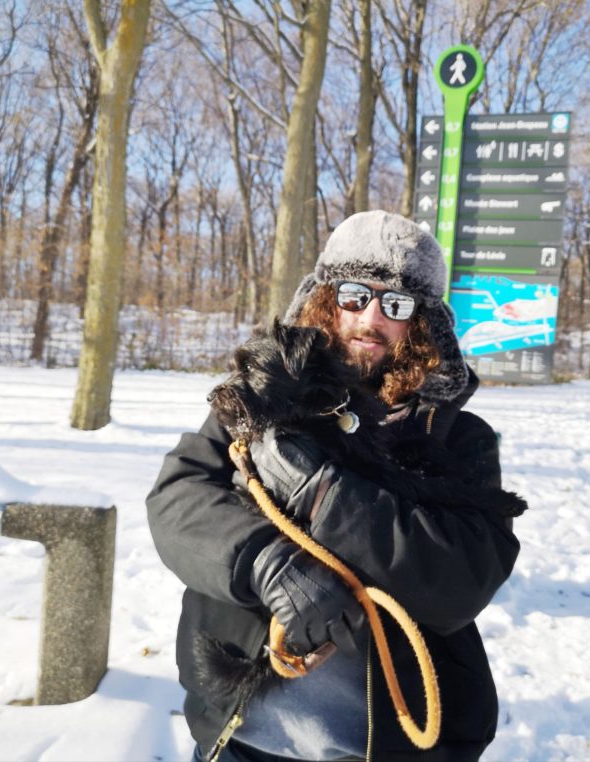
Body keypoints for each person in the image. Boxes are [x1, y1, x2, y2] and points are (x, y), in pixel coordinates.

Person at [146, 210, 521, 761]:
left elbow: (463, 578)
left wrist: (326, 495)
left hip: (381, 744)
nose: (371, 317)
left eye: (395, 305)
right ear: (325, 299)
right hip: (236, 733)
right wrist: (263, 562)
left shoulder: (459, 439)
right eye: (354, 295)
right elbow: (177, 499)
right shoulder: (258, 396)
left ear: (420, 325)